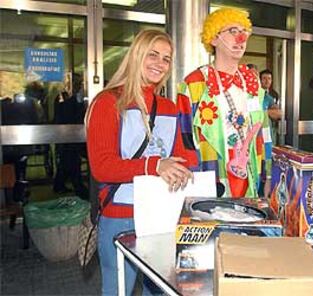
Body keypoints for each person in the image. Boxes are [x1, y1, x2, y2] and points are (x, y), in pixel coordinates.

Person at [86, 30, 194, 296]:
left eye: (166, 59)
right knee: (117, 290)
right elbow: (102, 167)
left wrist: (186, 167)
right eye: (153, 55)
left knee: (160, 291)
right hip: (120, 217)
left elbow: (182, 156)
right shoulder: (108, 102)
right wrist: (154, 165)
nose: (160, 63)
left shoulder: (170, 107)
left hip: (161, 215)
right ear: (136, 56)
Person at [176, 8, 273, 198]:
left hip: (251, 182)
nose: (241, 38)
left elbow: (264, 134)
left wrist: (268, 176)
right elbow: (183, 140)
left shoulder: (252, 82)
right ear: (213, 39)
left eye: (243, 32)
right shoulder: (194, 84)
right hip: (210, 180)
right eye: (232, 31)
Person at [53, 73, 88, 199]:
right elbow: (65, 115)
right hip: (67, 134)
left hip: (72, 134)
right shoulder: (64, 98)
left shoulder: (73, 98)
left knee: (66, 161)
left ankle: (59, 185)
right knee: (71, 161)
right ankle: (78, 188)